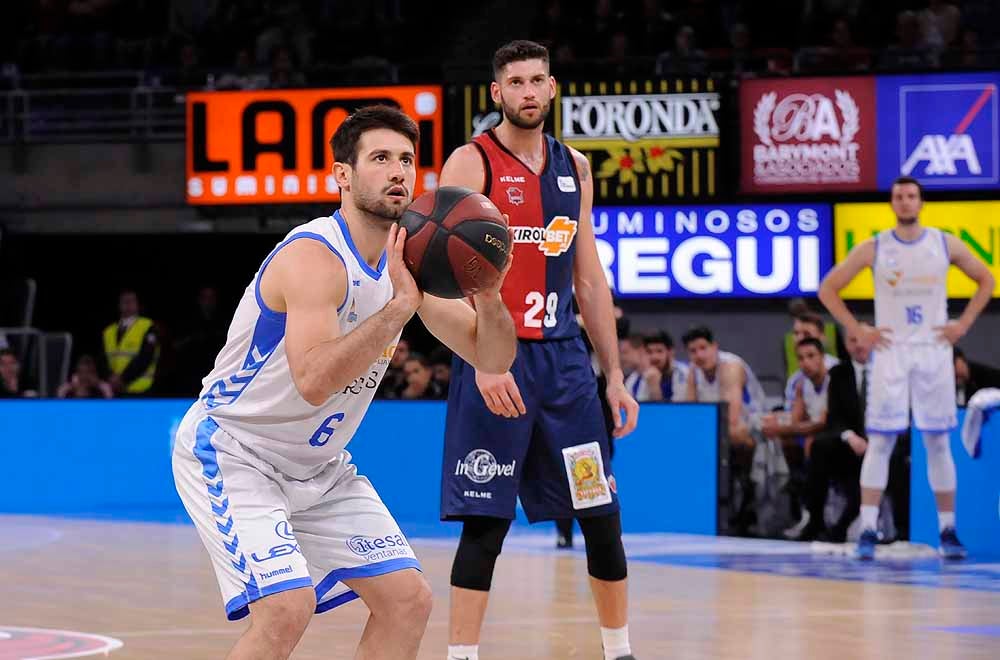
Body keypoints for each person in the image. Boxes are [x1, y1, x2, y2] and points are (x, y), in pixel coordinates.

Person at [171, 105, 517, 660]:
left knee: (408, 601)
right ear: (343, 175)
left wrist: (492, 294)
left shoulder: (409, 262)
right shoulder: (314, 257)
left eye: (406, 159)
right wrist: (399, 308)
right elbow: (313, 380)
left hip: (318, 468)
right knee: (286, 608)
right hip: (236, 451)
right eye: (380, 158)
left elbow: (492, 355)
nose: (398, 171)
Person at [437, 40, 640, 660]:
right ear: (496, 93)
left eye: (538, 81)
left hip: (565, 366)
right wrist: (483, 359)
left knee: (600, 511)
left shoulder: (573, 166)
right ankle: (461, 657)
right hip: (497, 356)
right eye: (516, 82)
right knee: (485, 524)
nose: (528, 92)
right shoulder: (471, 162)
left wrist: (615, 377)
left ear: (552, 89)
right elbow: (439, 273)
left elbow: (588, 278)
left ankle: (619, 651)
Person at [818, 175, 995, 560]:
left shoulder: (943, 243)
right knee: (881, 440)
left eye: (911, 196)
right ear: (892, 203)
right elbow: (827, 287)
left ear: (921, 201)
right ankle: (867, 528)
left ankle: (948, 530)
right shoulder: (876, 246)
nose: (905, 202)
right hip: (892, 349)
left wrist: (962, 325)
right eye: (898, 196)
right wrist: (856, 329)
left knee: (936, 441)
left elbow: (987, 278)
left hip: (933, 350)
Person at [795, 327, 872, 542]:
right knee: (819, 447)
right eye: (852, 340)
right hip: (850, 441)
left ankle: (902, 526)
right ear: (846, 346)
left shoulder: (890, 370)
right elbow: (834, 417)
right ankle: (815, 520)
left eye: (863, 339)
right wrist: (849, 436)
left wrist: (878, 440)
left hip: (883, 439)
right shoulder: (838, 373)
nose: (858, 345)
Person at [102, 288, 160, 395]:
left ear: (138, 304)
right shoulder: (108, 331)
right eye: (124, 301)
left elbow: (145, 357)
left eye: (131, 301)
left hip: (141, 390)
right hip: (114, 391)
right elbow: (103, 360)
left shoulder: (148, 326)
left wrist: (123, 379)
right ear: (119, 304)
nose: (128, 304)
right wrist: (111, 379)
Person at [640, 331, 689, 402]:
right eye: (649, 352)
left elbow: (678, 409)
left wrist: (655, 388)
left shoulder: (683, 372)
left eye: (659, 351)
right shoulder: (645, 374)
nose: (654, 357)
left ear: (670, 352)